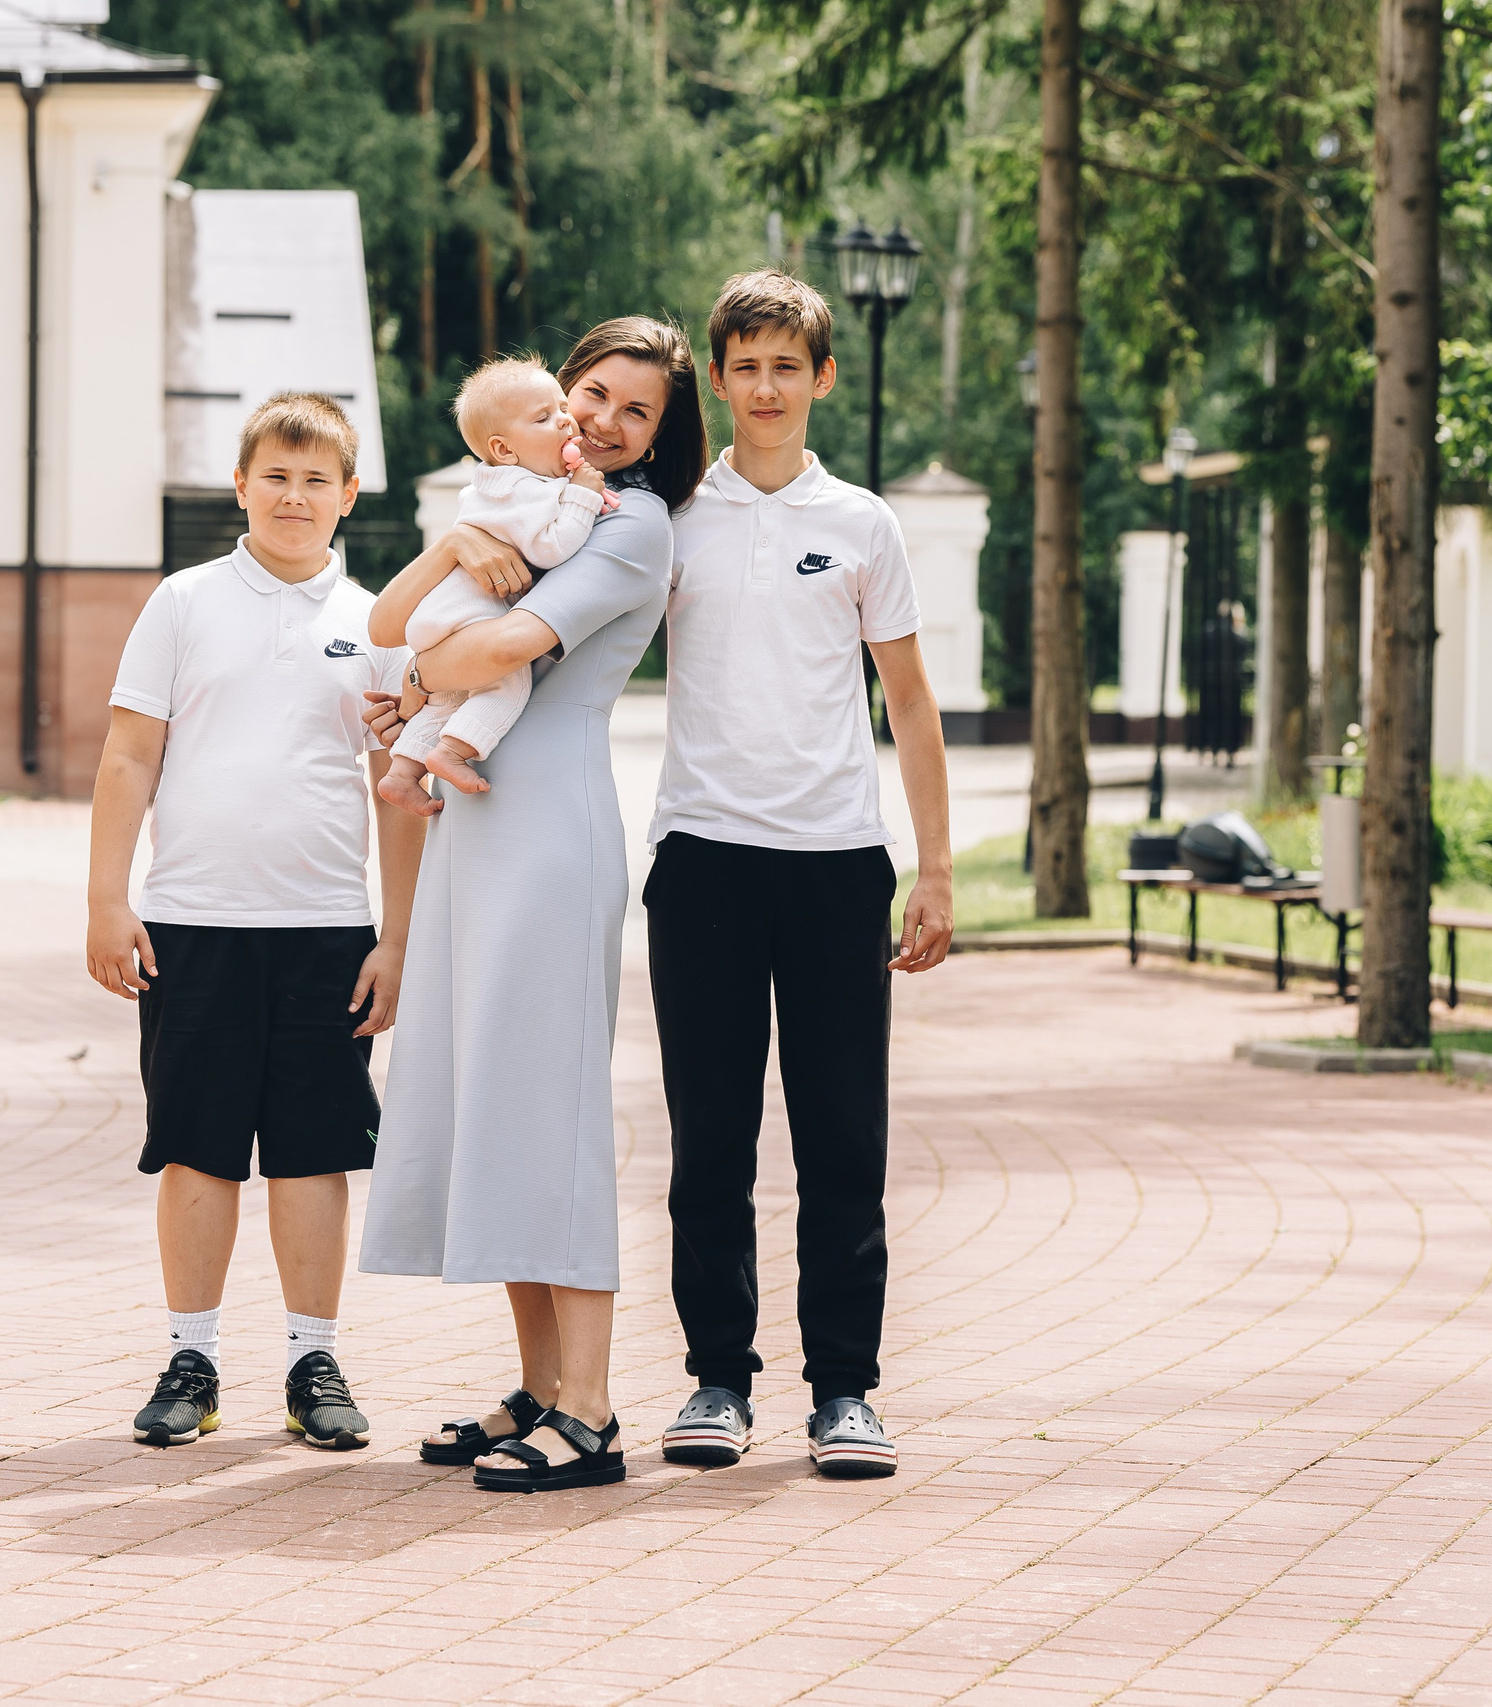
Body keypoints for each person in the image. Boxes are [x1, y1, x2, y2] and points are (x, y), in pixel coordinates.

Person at [357, 317, 710, 1493]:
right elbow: (390, 622)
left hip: (551, 830)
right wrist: (438, 587)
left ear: (661, 438)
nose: (605, 421)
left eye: (635, 411)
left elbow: (491, 643)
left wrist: (409, 681)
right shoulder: (519, 498)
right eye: (591, 394)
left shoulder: (634, 525)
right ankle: (539, 1387)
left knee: (549, 1111)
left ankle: (595, 1410)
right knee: (487, 1097)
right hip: (474, 824)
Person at [647, 270, 954, 1481]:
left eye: (788, 366)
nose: (766, 387)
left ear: (822, 377)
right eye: (745, 365)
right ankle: (717, 1379)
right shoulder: (667, 520)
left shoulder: (864, 525)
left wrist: (931, 870)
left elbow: (913, 703)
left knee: (842, 1141)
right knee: (708, 1141)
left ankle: (844, 1392)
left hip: (835, 866)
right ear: (715, 378)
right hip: (704, 861)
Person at [85, 391, 425, 1452]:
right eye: (274, 476)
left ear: (348, 497)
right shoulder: (182, 603)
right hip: (191, 924)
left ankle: (310, 1359)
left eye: (315, 479)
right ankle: (192, 1357)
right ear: (241, 486)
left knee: (312, 1155)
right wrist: (106, 897)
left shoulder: (376, 627)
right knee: (197, 1150)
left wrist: (398, 935)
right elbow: (130, 753)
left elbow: (397, 786)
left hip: (326, 929)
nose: (293, 495)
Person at [375, 355, 617, 814]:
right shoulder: (526, 489)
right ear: (504, 450)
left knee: (445, 701)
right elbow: (551, 548)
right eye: (545, 418)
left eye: (563, 407)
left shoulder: (493, 486)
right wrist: (584, 495)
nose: (566, 420)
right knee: (507, 684)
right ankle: (451, 753)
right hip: (468, 618)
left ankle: (402, 772)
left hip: (441, 619)